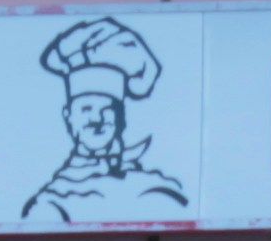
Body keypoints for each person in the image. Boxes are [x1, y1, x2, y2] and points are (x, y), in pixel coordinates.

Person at [23, 15, 192, 222]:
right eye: (86, 109)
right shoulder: (51, 202)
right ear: (68, 116)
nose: (97, 119)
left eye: (107, 109)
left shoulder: (153, 185)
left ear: (121, 118)